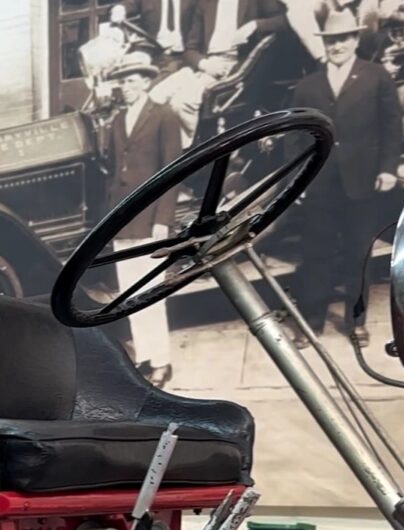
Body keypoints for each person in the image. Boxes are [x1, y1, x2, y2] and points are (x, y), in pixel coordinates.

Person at [287, 10, 403, 334]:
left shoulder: (376, 76)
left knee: (359, 255)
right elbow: (294, 137)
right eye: (331, 41)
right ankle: (312, 323)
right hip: (320, 184)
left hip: (363, 182)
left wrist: (388, 168)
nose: (337, 46)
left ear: (354, 40)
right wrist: (299, 181)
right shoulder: (308, 84)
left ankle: (357, 322)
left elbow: (392, 127)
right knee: (316, 255)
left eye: (342, 39)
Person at [105, 49, 187, 366]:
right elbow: (115, 173)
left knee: (151, 291)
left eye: (129, 80)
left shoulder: (164, 115)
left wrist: (163, 220)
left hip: (151, 219)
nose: (123, 86)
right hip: (123, 220)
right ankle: (145, 358)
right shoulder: (117, 121)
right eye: (121, 80)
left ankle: (162, 360)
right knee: (130, 293)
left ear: (144, 82)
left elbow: (172, 172)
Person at [149, 0, 289, 143]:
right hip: (206, 65)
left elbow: (286, 21)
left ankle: (185, 152)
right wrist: (205, 64)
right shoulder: (205, 4)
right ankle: (164, 150)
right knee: (156, 95)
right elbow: (190, 49)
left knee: (181, 103)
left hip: (235, 65)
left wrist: (254, 25)